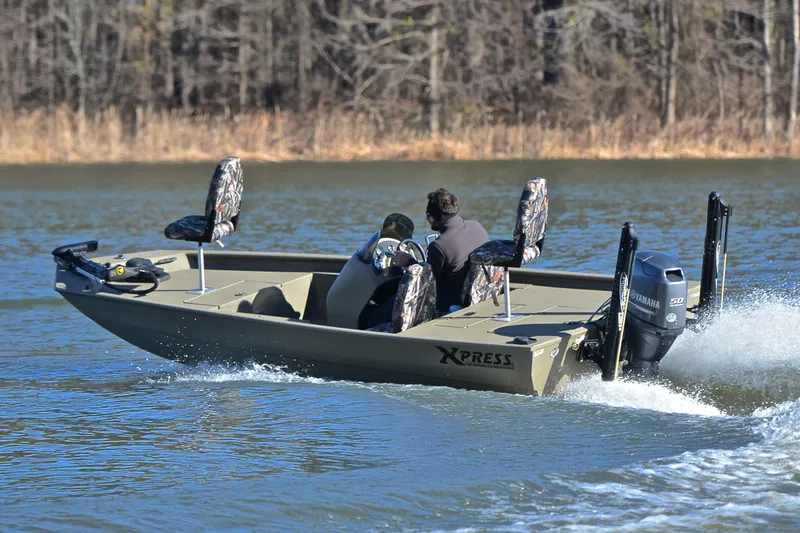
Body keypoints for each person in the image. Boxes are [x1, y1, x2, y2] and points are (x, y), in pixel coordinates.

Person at [394, 188, 489, 314]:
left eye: (428, 215)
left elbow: (426, 282)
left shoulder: (439, 245)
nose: (427, 219)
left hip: (450, 306)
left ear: (436, 217)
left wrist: (409, 261)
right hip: (482, 295)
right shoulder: (476, 226)